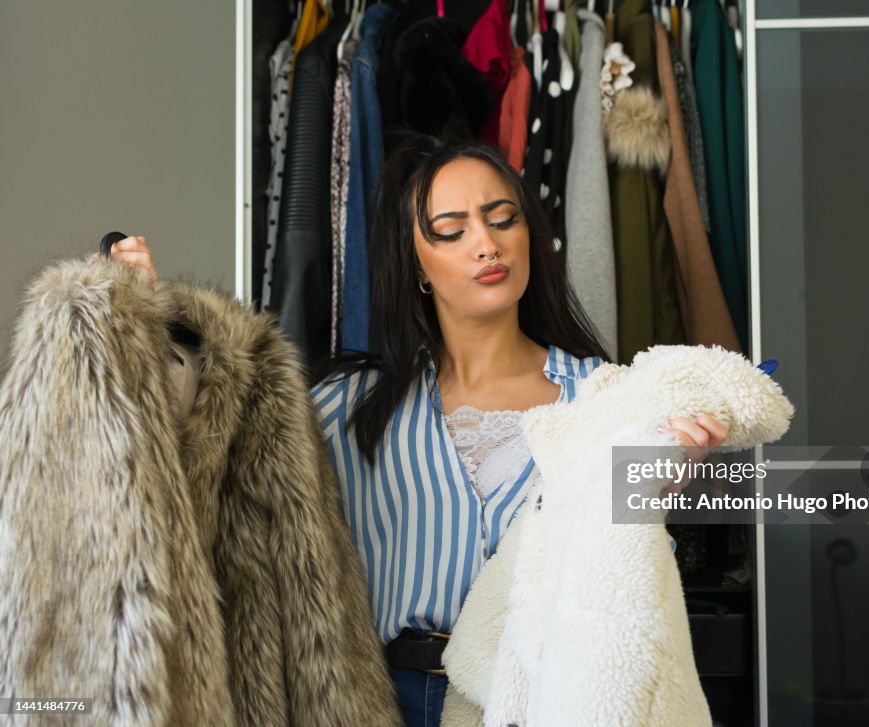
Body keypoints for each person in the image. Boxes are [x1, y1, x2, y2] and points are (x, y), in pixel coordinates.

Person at [111, 134, 728, 726]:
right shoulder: (344, 406)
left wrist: (664, 486)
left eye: (503, 219)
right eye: (451, 230)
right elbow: (201, 470)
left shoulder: (607, 398)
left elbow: (631, 575)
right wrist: (143, 322)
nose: (486, 243)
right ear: (417, 266)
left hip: (539, 698)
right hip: (381, 701)